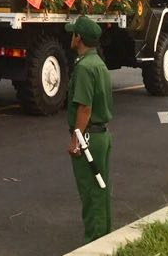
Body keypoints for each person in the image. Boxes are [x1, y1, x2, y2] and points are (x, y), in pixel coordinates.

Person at [65, 15, 113, 243]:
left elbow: (84, 108)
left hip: (88, 138)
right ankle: (103, 235)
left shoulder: (84, 67)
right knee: (101, 189)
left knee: (90, 192)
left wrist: (76, 141)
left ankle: (94, 241)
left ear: (79, 38)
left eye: (73, 33)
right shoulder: (98, 63)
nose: (71, 37)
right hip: (100, 135)